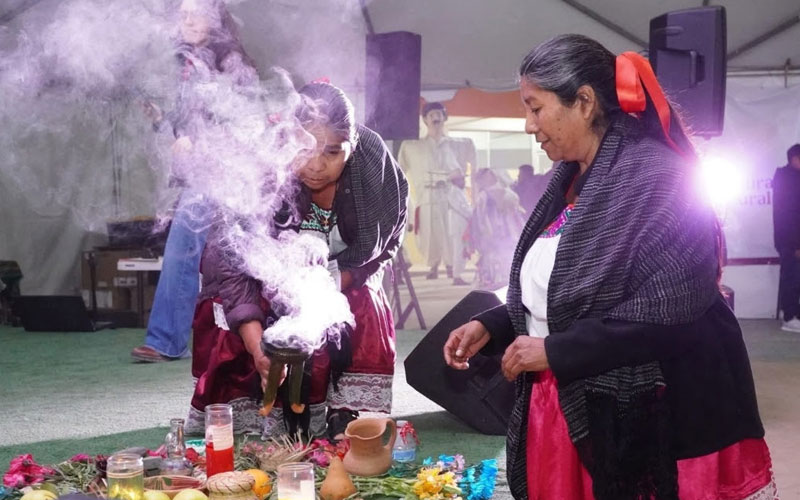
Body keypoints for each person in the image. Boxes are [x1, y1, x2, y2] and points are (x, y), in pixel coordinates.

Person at [444, 34, 775, 500]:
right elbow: (573, 287)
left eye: (535, 108)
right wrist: (495, 324)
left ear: (583, 102)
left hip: (659, 411)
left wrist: (556, 350)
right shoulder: (572, 178)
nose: (528, 125)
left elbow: (666, 313)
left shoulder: (661, 179)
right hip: (576, 400)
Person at [186, 82, 408, 438]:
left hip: (339, 272)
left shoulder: (375, 171)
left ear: (351, 146)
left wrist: (331, 289)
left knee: (360, 299)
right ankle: (260, 406)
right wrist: (258, 347)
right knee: (248, 308)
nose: (317, 166)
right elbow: (230, 264)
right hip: (259, 278)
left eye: (332, 152)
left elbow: (383, 246)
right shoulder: (260, 168)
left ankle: (345, 409)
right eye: (304, 149)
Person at [130, 0, 258, 362]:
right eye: (182, 13)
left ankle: (167, 340)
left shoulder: (232, 64)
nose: (186, 20)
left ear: (216, 18)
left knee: (190, 247)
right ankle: (175, 339)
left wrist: (199, 142)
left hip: (227, 173)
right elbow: (184, 130)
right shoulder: (187, 66)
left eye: (195, 12)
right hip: (204, 173)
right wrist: (161, 121)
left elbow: (243, 124)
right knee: (226, 254)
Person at [398, 102, 476, 280]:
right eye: (431, 115)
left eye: (439, 114)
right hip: (427, 197)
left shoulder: (460, 144)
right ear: (425, 119)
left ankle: (452, 266)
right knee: (429, 234)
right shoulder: (412, 146)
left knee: (452, 233)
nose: (435, 117)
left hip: (451, 198)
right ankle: (433, 265)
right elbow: (399, 173)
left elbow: (474, 169)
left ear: (445, 118)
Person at [468, 168, 525, 289]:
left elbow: (479, 219)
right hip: (505, 235)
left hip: (498, 235)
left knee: (496, 261)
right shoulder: (506, 194)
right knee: (503, 261)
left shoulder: (485, 196)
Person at [773, 143, 800, 332]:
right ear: (794, 159)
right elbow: (789, 217)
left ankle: (792, 313)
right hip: (791, 241)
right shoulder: (788, 181)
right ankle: (790, 317)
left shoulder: (792, 179)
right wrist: (796, 244)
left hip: (791, 240)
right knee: (792, 278)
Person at [446, 171, 472, 286]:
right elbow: (462, 208)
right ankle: (456, 276)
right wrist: (473, 215)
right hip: (458, 226)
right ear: (455, 181)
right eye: (462, 179)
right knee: (458, 251)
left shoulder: (459, 192)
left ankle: (458, 275)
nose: (464, 181)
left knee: (462, 251)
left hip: (462, 226)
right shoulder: (454, 192)